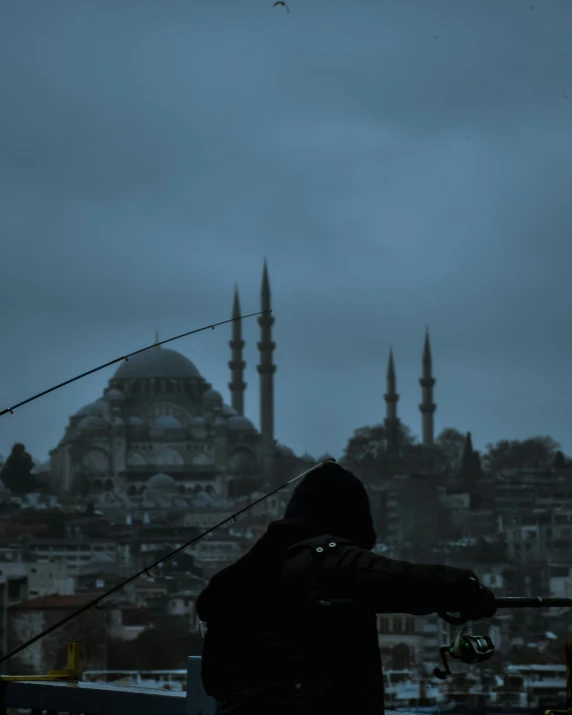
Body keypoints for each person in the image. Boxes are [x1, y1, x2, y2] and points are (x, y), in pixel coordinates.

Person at [196, 459, 496, 715]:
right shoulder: (322, 558)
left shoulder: (246, 573)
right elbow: (397, 579)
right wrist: (465, 588)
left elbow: (214, 680)